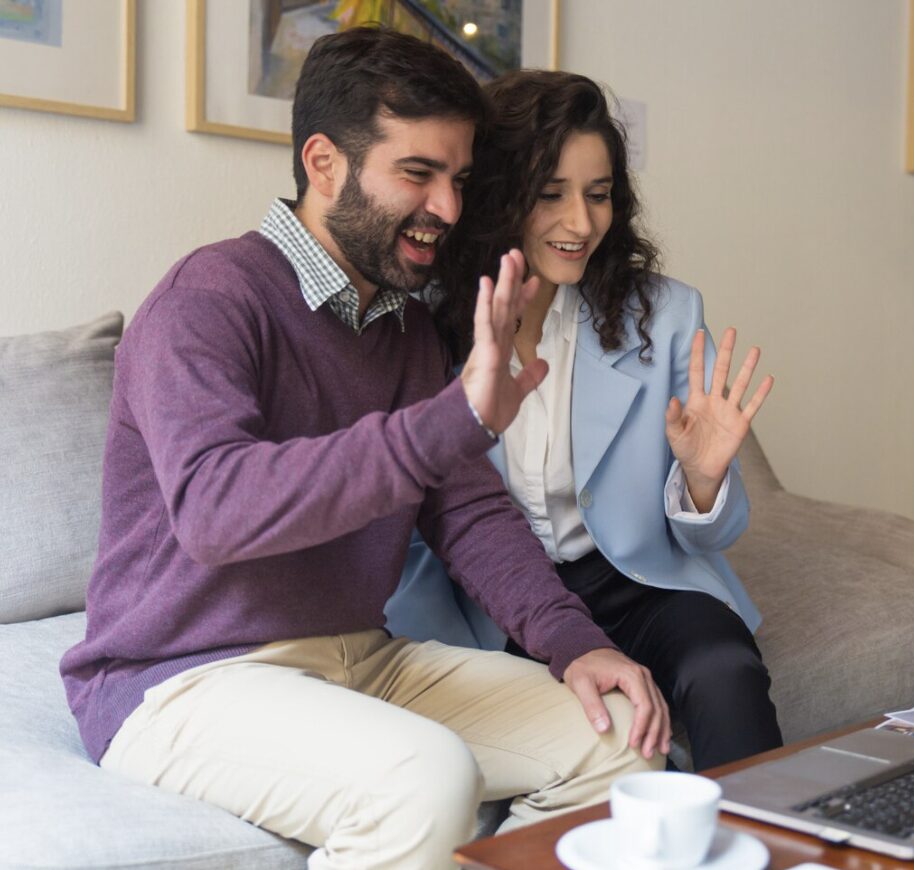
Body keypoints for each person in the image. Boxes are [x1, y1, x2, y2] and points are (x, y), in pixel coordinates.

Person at [59, 28, 671, 870]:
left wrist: (577, 643)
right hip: (180, 680)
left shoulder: (405, 326)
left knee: (621, 741)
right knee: (422, 781)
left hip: (361, 656)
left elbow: (469, 511)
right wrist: (454, 417)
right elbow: (216, 509)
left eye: (456, 180)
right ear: (323, 164)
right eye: (417, 174)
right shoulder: (208, 300)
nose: (449, 210)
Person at [387, 70, 783, 771]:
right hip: (495, 597)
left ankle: (769, 846)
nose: (580, 223)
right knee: (603, 732)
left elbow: (720, 531)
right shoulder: (423, 327)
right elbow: (414, 533)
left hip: (636, 578)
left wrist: (701, 482)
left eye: (598, 196)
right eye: (550, 195)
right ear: (497, 196)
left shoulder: (666, 317)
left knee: (725, 671)